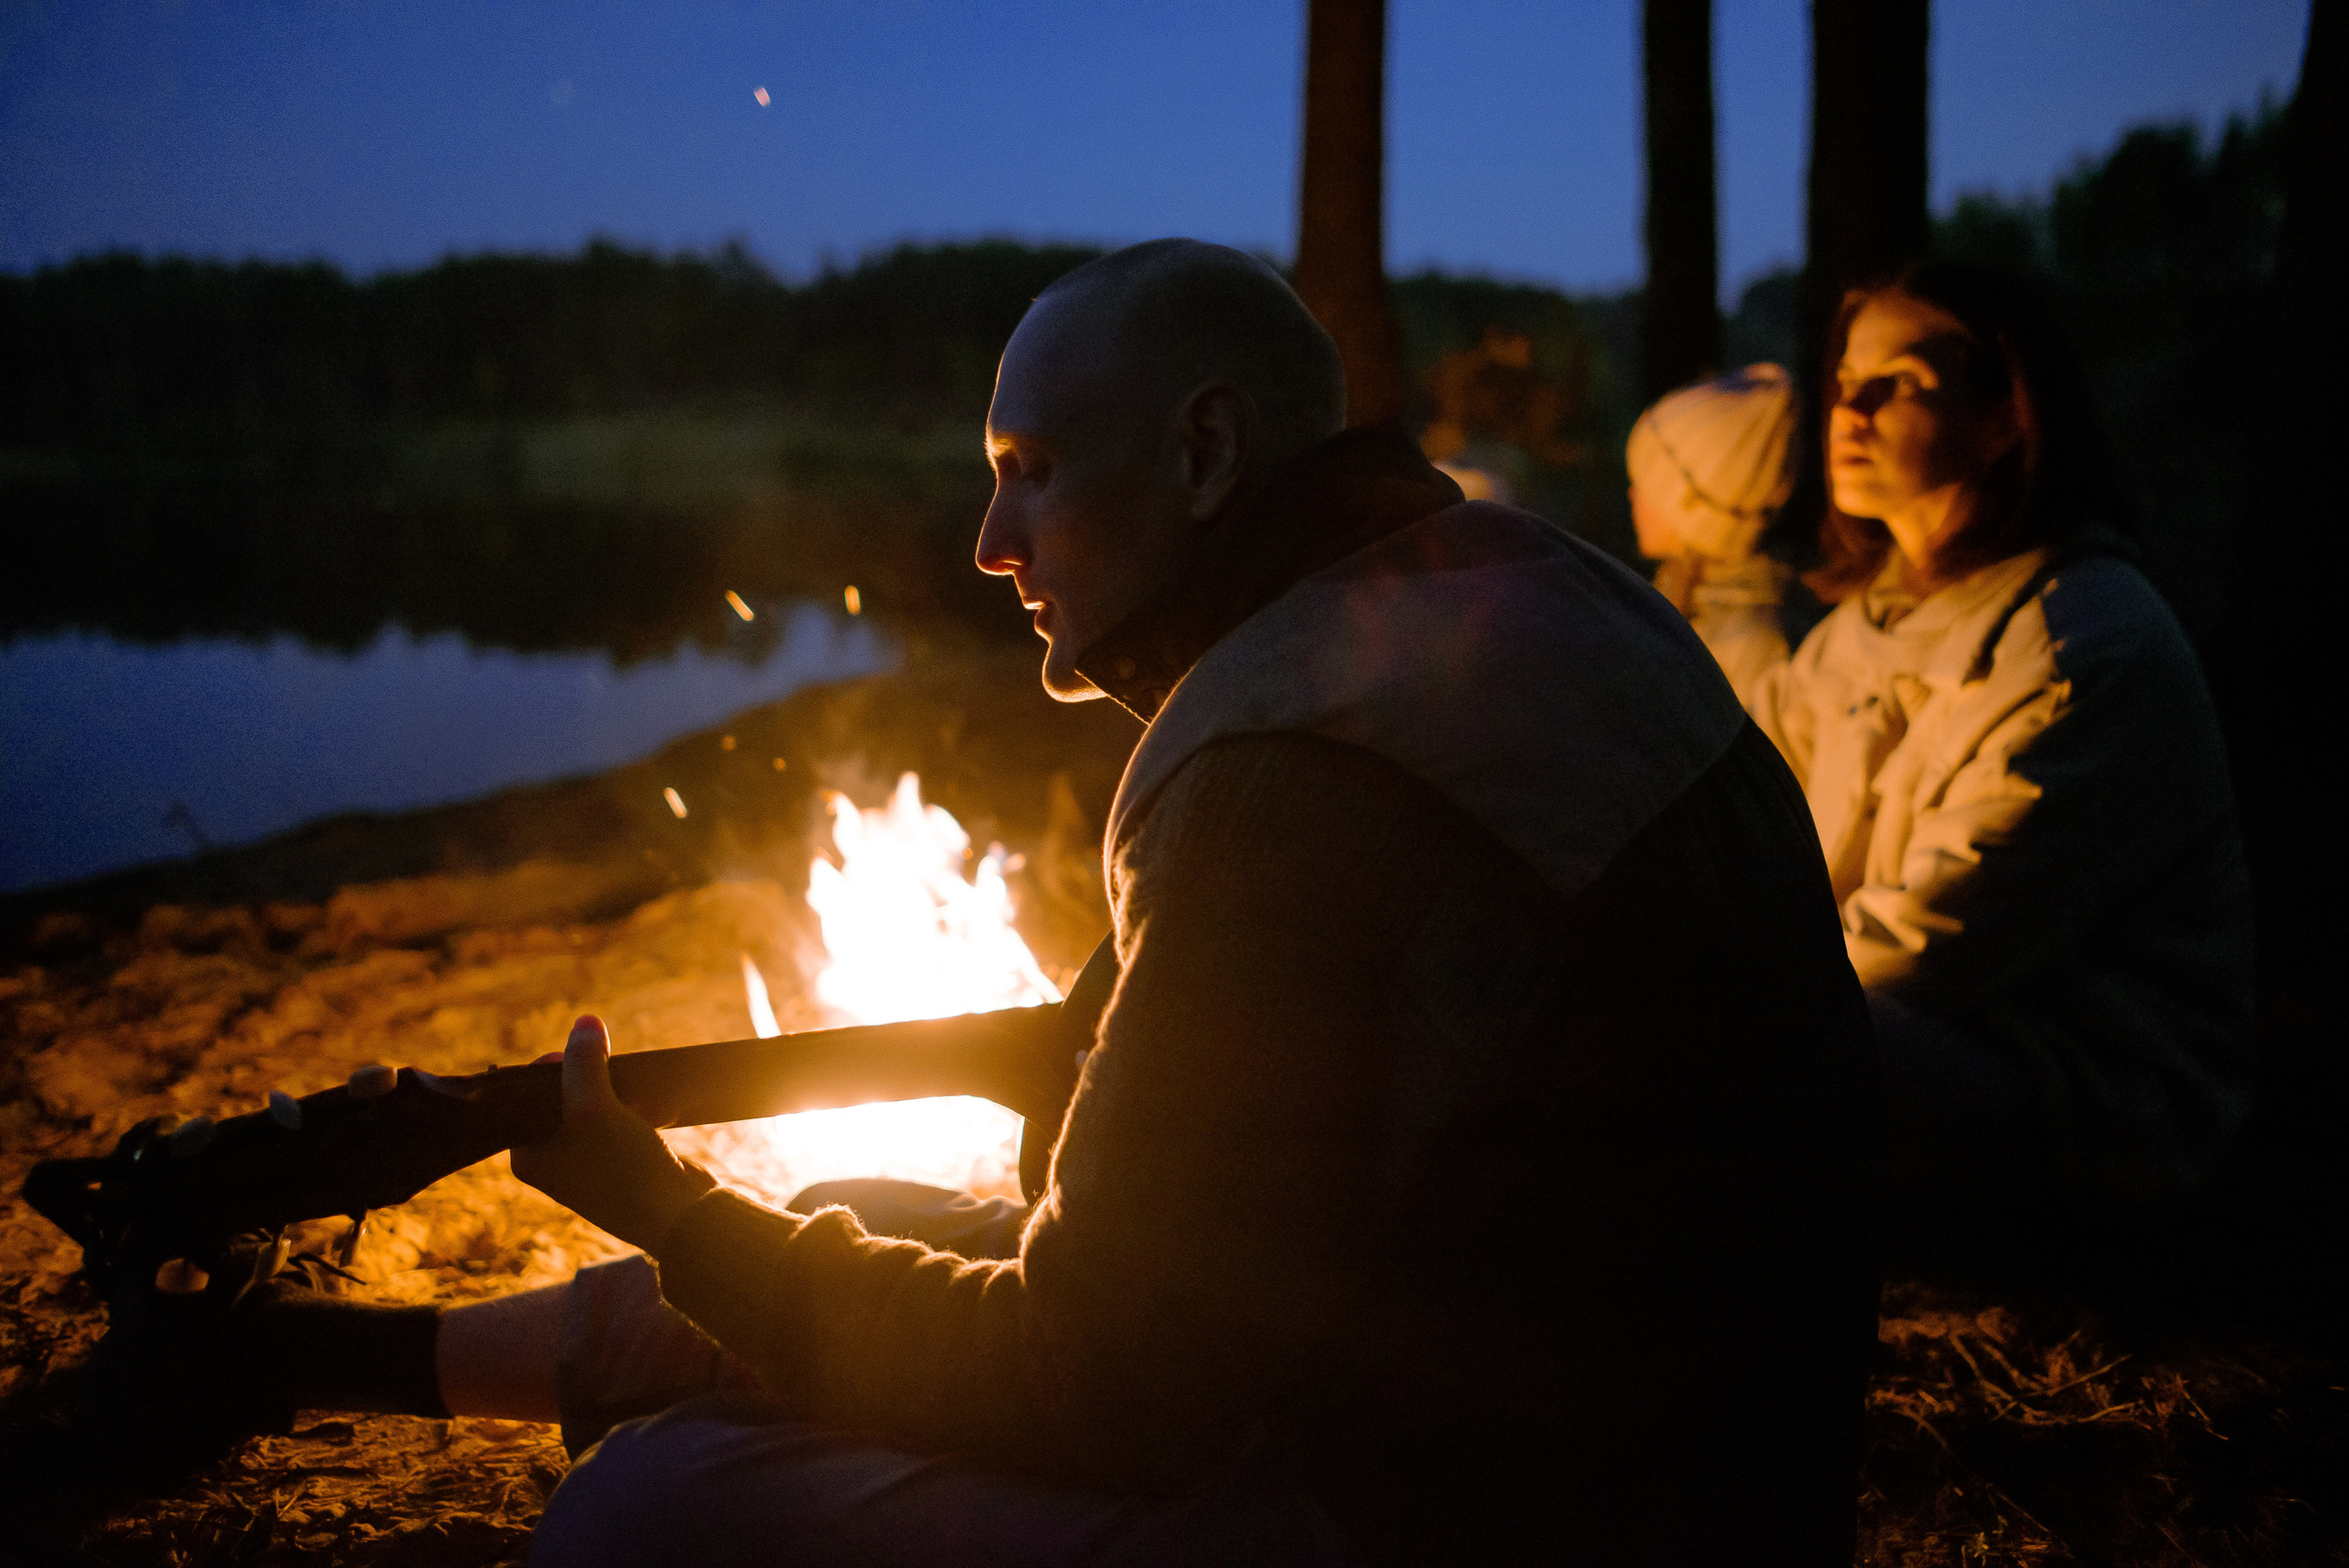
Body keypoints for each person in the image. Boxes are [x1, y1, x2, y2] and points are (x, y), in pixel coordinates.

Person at [121, 240, 1876, 1565]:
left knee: (646, 1510)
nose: (987, 541)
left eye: (1030, 465)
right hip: (1642, 1428)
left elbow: (1098, 1379)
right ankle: (288, 1359)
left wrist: (669, 1208)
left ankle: (324, 1369)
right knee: (862, 1216)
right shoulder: (1506, 593)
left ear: (1206, 450)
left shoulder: (1290, 765)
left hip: (1523, 1508)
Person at [1628, 262, 2256, 1240]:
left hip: (2079, 1097)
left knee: (1736, 1052)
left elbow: (1926, 945)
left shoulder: (2085, 648)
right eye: (1846, 380)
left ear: (2007, 415)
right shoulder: (1860, 629)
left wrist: (1704, 1000)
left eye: (1902, 382)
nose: (1851, 410)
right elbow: (1749, 817)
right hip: (1907, 1034)